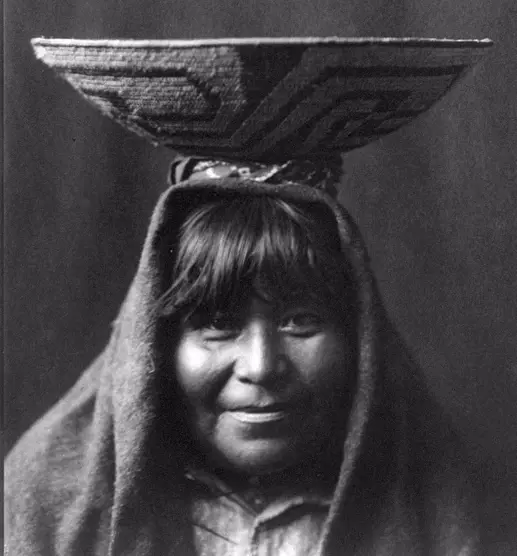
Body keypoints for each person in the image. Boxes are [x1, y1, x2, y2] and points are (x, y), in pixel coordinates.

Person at [5, 158, 480, 555]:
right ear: (152, 343)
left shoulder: (447, 500)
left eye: (300, 321)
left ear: (361, 337)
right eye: (218, 325)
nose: (260, 366)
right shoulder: (47, 495)